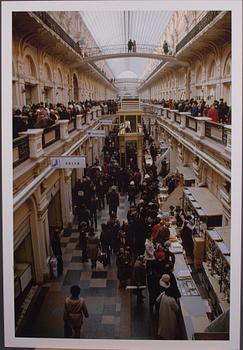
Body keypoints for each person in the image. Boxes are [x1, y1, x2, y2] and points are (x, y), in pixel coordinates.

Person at [156, 275, 179, 340]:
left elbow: (157, 300)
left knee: (163, 326)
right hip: (170, 315)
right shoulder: (171, 300)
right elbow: (176, 309)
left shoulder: (163, 294)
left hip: (162, 312)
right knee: (170, 328)